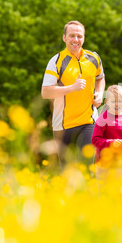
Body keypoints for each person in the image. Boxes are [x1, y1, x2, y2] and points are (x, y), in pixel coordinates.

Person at [41, 20, 105, 171]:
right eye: (72, 36)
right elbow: (46, 92)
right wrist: (72, 88)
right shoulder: (56, 61)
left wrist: (100, 93)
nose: (76, 40)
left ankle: (89, 194)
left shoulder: (93, 58)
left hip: (88, 121)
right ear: (64, 38)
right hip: (63, 125)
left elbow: (100, 77)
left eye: (79, 36)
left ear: (83, 38)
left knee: (89, 166)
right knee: (66, 171)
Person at [92, 85, 122, 198]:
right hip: (104, 163)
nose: (117, 104)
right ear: (107, 102)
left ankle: (121, 215)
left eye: (120, 101)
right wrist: (110, 143)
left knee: (119, 193)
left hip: (121, 163)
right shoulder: (102, 119)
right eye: (113, 101)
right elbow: (95, 140)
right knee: (104, 193)